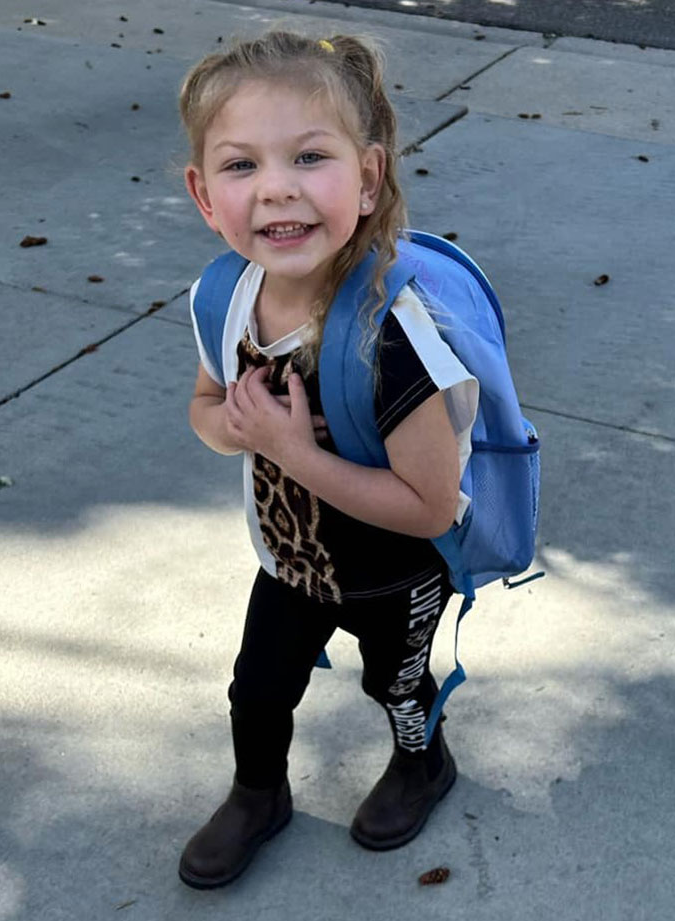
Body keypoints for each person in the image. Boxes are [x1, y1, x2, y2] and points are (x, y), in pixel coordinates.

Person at [177, 30, 479, 889]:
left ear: (369, 176)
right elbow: (203, 408)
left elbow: (429, 505)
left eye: (310, 156)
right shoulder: (223, 298)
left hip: (396, 574)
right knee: (258, 688)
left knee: (399, 686)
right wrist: (235, 430)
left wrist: (287, 449)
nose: (276, 186)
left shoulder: (396, 336)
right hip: (292, 564)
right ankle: (258, 790)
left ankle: (423, 764)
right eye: (241, 166)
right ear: (205, 194)